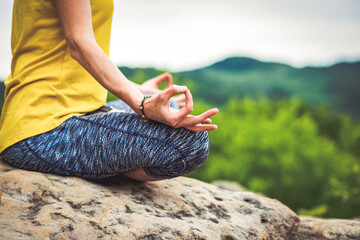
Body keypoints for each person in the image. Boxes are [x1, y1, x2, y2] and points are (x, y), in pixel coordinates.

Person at [0, 0, 218, 181]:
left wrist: (143, 91)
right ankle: (106, 167)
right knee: (189, 143)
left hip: (83, 111)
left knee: (169, 107)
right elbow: (78, 44)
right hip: (41, 129)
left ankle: (105, 162)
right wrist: (142, 103)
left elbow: (73, 65)